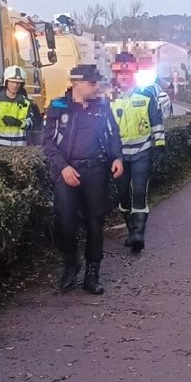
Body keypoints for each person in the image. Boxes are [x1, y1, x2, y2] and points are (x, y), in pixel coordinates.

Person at [42, 65, 124, 294]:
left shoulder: (102, 106)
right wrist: (64, 168)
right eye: (92, 83)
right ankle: (70, 263)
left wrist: (117, 157)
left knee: (95, 223)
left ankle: (92, 273)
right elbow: (47, 143)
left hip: (96, 170)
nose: (96, 87)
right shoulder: (58, 106)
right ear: (77, 83)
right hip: (67, 172)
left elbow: (113, 133)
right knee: (65, 223)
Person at [113, 59, 167, 253]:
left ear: (133, 75)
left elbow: (156, 122)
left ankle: (138, 233)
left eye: (127, 74)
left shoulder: (146, 95)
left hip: (142, 152)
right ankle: (130, 229)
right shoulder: (109, 98)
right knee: (122, 196)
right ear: (116, 77)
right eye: (121, 74)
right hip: (118, 157)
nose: (124, 77)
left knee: (139, 193)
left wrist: (159, 146)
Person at [0, 65, 34, 147]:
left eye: (18, 83)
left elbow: (31, 124)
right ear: (6, 82)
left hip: (21, 150)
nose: (15, 85)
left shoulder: (26, 102)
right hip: (0, 149)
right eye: (12, 82)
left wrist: (18, 123)